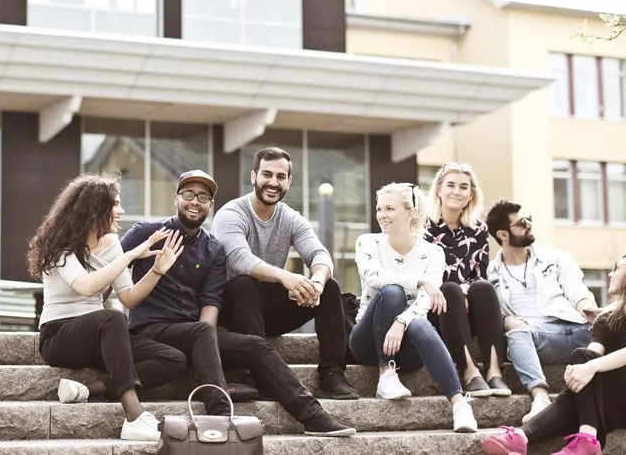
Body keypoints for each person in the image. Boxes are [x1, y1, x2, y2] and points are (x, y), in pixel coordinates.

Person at [119, 170, 357, 437]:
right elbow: (110, 266)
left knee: (254, 344)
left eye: (203, 197)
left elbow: (210, 302)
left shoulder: (213, 248)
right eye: (188, 194)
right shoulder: (147, 232)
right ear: (176, 198)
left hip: (195, 333)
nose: (195, 202)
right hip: (151, 331)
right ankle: (222, 416)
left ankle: (314, 416)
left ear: (210, 205)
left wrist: (205, 343)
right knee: (207, 327)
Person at [28, 174, 187, 442]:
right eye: (115, 204)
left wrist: (157, 272)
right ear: (94, 210)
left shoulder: (112, 244)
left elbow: (129, 297)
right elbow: (86, 286)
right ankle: (134, 417)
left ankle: (88, 390)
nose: (121, 210)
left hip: (101, 336)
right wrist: (131, 254)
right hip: (59, 337)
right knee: (112, 319)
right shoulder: (60, 247)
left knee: (174, 359)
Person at [480, 249, 626, 455]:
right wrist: (578, 371)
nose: (611, 274)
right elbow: (592, 352)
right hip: (612, 397)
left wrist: (589, 366)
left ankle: (587, 441)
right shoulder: (608, 318)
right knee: (579, 368)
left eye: (617, 269)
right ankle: (521, 438)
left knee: (584, 364)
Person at [214, 147, 359, 400]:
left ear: (289, 182)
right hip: (230, 312)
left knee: (331, 287)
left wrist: (317, 282)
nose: (273, 182)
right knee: (244, 283)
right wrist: (285, 277)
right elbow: (239, 258)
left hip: (265, 312)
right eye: (266, 175)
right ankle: (260, 374)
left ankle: (332, 375)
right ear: (253, 177)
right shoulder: (231, 213)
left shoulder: (291, 218)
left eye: (280, 177)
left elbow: (320, 256)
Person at [350, 182, 479, 433]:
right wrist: (420, 281)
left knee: (420, 323)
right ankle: (385, 372)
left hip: (406, 347)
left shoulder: (433, 253)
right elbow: (374, 278)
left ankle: (460, 404)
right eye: (379, 209)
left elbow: (425, 302)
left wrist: (401, 322)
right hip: (367, 340)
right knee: (392, 291)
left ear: (410, 212)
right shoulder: (367, 242)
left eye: (390, 208)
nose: (382, 215)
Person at [483, 199, 600, 423]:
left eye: (530, 220)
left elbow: (575, 288)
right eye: (522, 223)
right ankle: (540, 398)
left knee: (623, 323)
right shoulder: (491, 273)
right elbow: (496, 313)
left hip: (578, 328)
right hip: (538, 337)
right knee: (516, 331)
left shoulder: (556, 258)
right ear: (503, 234)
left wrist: (586, 306)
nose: (529, 225)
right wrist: (508, 320)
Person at [423, 162, 508, 398]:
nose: (456, 192)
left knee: (484, 287)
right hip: (434, 308)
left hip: (468, 310)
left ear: (471, 194)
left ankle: (493, 371)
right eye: (450, 185)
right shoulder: (422, 227)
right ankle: (470, 372)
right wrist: (460, 292)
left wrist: (467, 292)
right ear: (439, 189)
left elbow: (480, 273)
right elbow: (424, 275)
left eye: (463, 187)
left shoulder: (478, 230)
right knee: (449, 289)